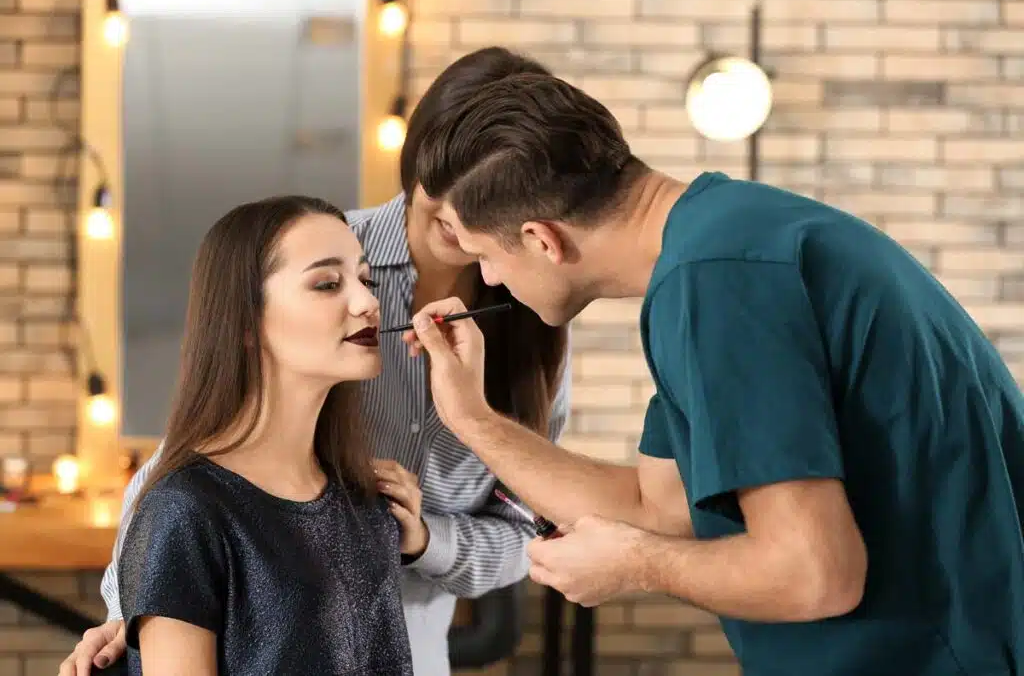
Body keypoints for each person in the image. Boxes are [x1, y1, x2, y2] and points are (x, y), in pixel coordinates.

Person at [401, 71, 1024, 676]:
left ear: (541, 239)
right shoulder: (717, 243)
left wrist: (634, 566)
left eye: (483, 254)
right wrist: (471, 418)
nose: (487, 279)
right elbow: (657, 506)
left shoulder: (717, 282)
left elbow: (815, 574)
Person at [59, 48, 570, 676]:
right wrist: (140, 608)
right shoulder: (319, 243)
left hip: (410, 641)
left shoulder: (529, 324)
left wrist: (425, 539)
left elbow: (526, 526)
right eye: (445, 180)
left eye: (489, 193)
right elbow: (192, 470)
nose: (362, 302)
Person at [111, 195, 414, 675]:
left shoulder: (364, 500)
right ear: (246, 322)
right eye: (328, 283)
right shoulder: (185, 512)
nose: (368, 301)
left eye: (366, 279)